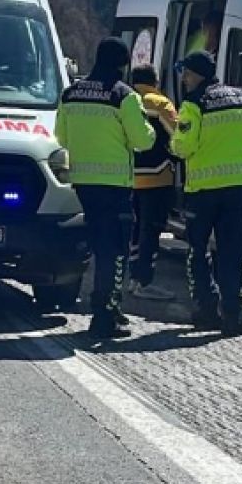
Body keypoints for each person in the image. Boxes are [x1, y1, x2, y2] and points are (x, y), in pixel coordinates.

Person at [54, 37, 155, 339]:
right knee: (115, 251)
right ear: (122, 64)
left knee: (98, 247)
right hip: (115, 187)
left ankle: (106, 307)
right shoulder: (123, 95)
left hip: (84, 184)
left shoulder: (71, 93)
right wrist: (148, 127)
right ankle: (104, 314)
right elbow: (142, 141)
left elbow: (61, 137)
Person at [171, 50, 242, 336]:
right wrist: (239, 143)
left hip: (202, 192)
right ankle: (232, 313)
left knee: (198, 251)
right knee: (231, 252)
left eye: (187, 73)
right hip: (235, 189)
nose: (184, 78)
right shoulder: (241, 97)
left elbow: (183, 147)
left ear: (197, 75)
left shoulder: (193, 104)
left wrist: (176, 142)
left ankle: (206, 309)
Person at [126, 64, 180, 302]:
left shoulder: (125, 99)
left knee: (135, 230)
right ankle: (144, 281)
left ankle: (132, 277)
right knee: (152, 229)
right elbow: (178, 137)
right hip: (158, 177)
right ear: (155, 81)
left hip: (129, 176)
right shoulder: (161, 104)